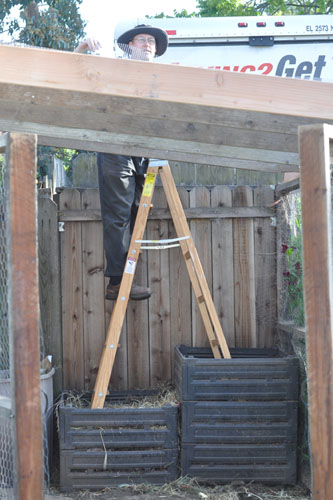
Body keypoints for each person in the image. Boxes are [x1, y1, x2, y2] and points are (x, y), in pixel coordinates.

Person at [75, 25, 169, 300]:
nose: (149, 44)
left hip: (145, 154)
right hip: (115, 149)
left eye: (152, 41)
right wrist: (82, 49)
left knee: (138, 215)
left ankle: (125, 279)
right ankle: (117, 283)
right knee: (117, 217)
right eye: (143, 40)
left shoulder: (162, 77)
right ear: (129, 45)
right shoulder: (113, 67)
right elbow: (72, 77)